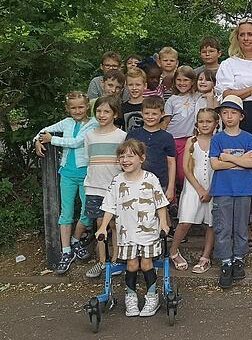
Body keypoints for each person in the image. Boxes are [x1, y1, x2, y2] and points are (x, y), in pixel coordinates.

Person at [216, 18, 252, 247]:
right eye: (242, 35)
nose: (246, 38)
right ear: (237, 38)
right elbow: (228, 94)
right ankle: (243, 227)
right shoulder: (229, 64)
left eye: (250, 34)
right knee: (240, 172)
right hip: (239, 118)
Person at [96, 139, 170, 317]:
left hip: (148, 231)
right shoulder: (117, 181)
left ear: (141, 158)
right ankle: (131, 297)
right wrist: (103, 227)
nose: (125, 159)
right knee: (131, 264)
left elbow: (160, 203)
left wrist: (164, 223)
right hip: (126, 233)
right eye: (122, 156)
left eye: (130, 155)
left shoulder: (150, 179)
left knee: (146, 264)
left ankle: (152, 296)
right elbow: (109, 206)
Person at [33, 91, 98, 274]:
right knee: (66, 212)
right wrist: (37, 140)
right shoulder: (67, 123)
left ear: (87, 107)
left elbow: (77, 142)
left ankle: (76, 240)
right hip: (67, 174)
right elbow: (43, 131)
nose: (77, 111)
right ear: (67, 109)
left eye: (81, 107)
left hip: (86, 173)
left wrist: (52, 139)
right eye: (73, 108)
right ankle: (66, 251)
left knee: (88, 211)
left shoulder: (92, 123)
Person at [209, 95, 252, 289]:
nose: (229, 117)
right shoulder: (218, 138)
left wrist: (226, 157)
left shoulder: (248, 138)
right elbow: (215, 164)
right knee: (223, 227)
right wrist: (240, 160)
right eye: (225, 113)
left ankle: (238, 259)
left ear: (241, 116)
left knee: (240, 226)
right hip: (222, 189)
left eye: (233, 113)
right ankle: (225, 262)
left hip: (243, 189)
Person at [169, 108, 218, 274]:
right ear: (197, 123)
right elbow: (186, 168)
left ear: (216, 123)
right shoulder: (192, 141)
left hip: (212, 187)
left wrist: (210, 190)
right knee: (185, 221)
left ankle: (205, 257)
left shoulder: (218, 141)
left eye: (209, 121)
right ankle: (174, 251)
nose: (205, 124)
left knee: (210, 224)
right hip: (193, 187)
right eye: (202, 121)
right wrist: (199, 189)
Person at [83, 96, 126, 279]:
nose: (102, 115)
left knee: (115, 224)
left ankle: (116, 260)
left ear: (115, 114)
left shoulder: (121, 136)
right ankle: (101, 261)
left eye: (106, 111)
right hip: (93, 187)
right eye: (99, 111)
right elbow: (88, 159)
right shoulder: (89, 135)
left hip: (114, 188)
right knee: (100, 224)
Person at [164, 66, 209, 195]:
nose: (182, 83)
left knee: (183, 172)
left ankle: (186, 196)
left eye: (186, 80)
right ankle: (173, 200)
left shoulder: (197, 97)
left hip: (188, 139)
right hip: (172, 139)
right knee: (171, 171)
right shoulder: (172, 100)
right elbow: (166, 122)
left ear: (192, 81)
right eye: (179, 80)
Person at [127, 97, 177, 206]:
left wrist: (171, 188)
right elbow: (126, 159)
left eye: (154, 114)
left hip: (160, 183)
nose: (150, 117)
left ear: (162, 114)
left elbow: (171, 163)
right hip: (135, 182)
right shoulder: (133, 135)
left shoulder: (167, 137)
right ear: (142, 113)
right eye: (147, 113)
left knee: (160, 215)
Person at [118, 68, 147, 132]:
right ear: (126, 86)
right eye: (130, 85)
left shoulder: (150, 106)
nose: (134, 88)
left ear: (145, 86)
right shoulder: (121, 108)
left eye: (138, 85)